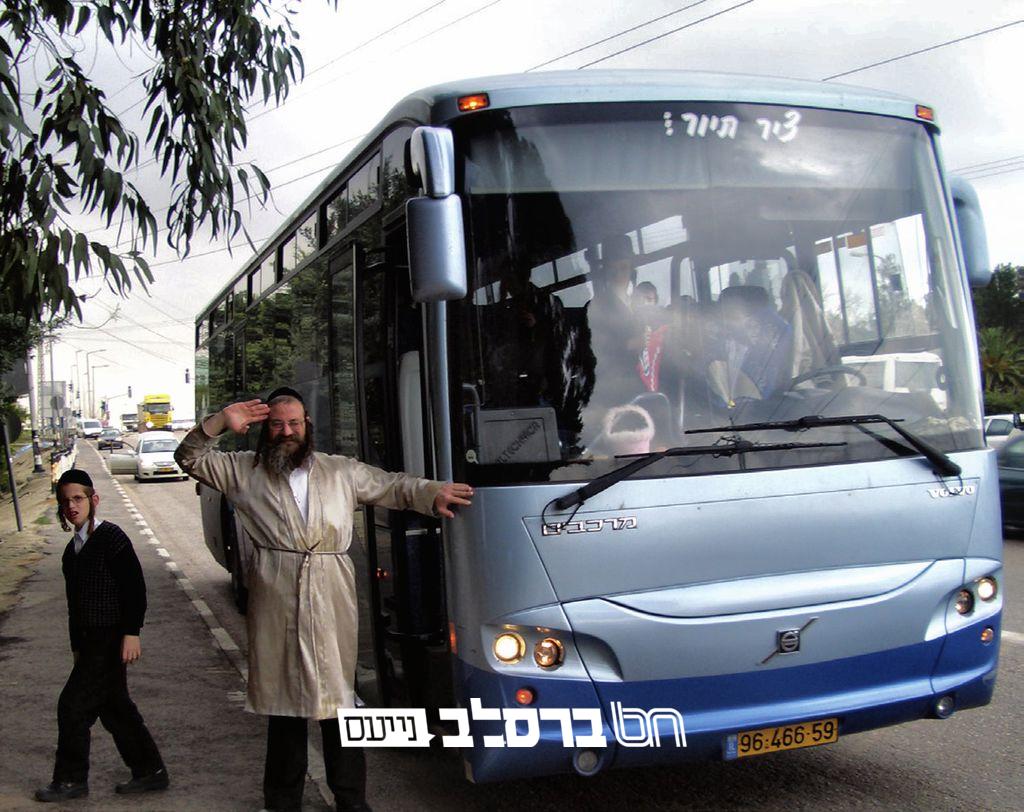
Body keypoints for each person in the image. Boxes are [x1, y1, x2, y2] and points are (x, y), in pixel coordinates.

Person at [174, 387, 473, 812]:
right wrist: (222, 421)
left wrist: (433, 492)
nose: (286, 432)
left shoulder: (339, 471)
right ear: (264, 429)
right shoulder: (242, 471)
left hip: (332, 595)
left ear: (307, 425)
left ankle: (352, 801)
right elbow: (188, 458)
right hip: (276, 598)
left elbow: (392, 486)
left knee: (339, 703)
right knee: (285, 708)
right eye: (276, 424)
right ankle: (282, 802)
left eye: (294, 423)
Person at [35, 469, 168, 803]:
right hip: (90, 642)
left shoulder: (112, 538)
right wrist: (76, 647)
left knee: (72, 707)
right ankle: (150, 771)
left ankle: (70, 780)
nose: (71, 506)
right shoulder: (72, 551)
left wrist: (131, 633)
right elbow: (74, 606)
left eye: (78, 498)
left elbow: (134, 590)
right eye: (65, 501)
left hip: (110, 639)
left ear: (93, 500)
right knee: (114, 708)